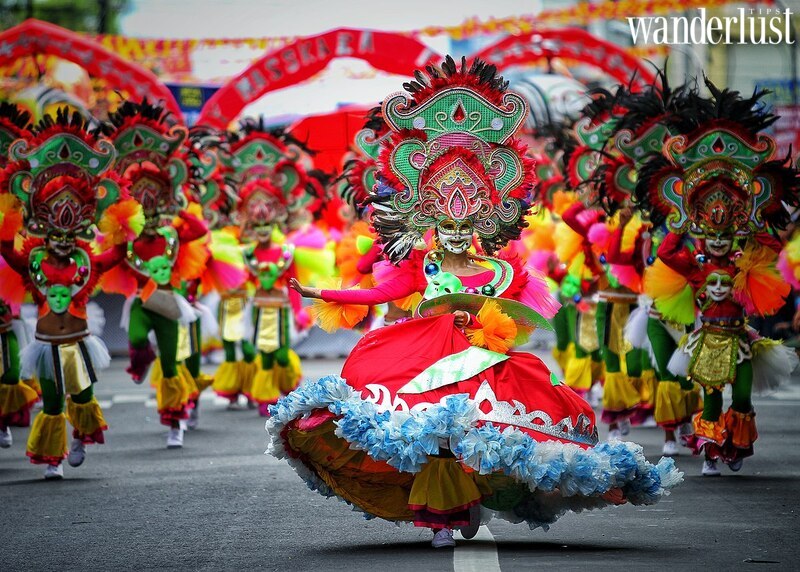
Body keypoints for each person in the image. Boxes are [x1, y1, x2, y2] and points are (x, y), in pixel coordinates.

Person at [269, 57, 682, 548]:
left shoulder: (502, 271)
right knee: (435, 439)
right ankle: (443, 516)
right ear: (429, 220)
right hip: (424, 358)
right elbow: (380, 294)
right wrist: (321, 293)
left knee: (477, 439)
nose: (455, 233)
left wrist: (483, 319)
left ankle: (464, 503)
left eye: (465, 225)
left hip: (482, 364)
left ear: (484, 223)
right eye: (446, 224)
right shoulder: (422, 263)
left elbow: (515, 318)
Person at [640, 79, 800, 475]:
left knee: (742, 397)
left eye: (723, 235)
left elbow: (775, 251)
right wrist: (678, 221)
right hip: (708, 339)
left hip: (741, 339)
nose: (716, 240)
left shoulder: (743, 264)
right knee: (711, 398)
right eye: (710, 234)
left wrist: (757, 220)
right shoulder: (696, 267)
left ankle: (737, 444)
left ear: (732, 236)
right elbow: (665, 255)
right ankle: (711, 451)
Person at [0, 108, 142, 479]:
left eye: (69, 234)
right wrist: (10, 209)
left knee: (82, 396)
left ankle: (80, 436)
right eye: (55, 234)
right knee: (51, 402)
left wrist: (121, 223)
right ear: (43, 232)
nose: (62, 241)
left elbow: (117, 255)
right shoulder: (33, 262)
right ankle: (53, 458)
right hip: (45, 344)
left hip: (77, 342)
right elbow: (7, 249)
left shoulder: (86, 262)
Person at [97, 99, 206, 449]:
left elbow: (200, 230)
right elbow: (105, 261)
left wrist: (180, 207)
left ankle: (175, 422)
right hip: (142, 303)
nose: (148, 205)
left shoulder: (171, 233)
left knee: (172, 366)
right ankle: (140, 361)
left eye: (154, 198)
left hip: (170, 304)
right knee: (138, 338)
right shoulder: (126, 239)